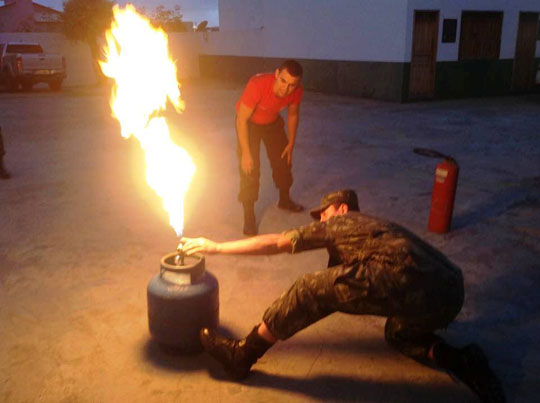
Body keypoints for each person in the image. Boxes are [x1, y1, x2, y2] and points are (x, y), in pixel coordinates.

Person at [179, 189, 505, 403]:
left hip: (404, 275)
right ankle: (462, 361)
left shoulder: (343, 222)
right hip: (449, 292)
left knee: (309, 289)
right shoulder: (373, 228)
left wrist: (217, 247)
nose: (321, 220)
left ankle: (242, 356)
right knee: (398, 333)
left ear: (342, 208)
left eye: (324, 213)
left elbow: (278, 243)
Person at [236, 59, 305, 236]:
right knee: (250, 168)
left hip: (272, 122)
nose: (286, 89)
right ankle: (249, 215)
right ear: (276, 74)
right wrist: (245, 152)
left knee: (283, 160)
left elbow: (293, 115)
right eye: (283, 81)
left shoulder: (296, 91)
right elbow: (241, 119)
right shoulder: (257, 84)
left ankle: (284, 199)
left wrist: (291, 143)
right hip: (249, 123)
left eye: (292, 85)